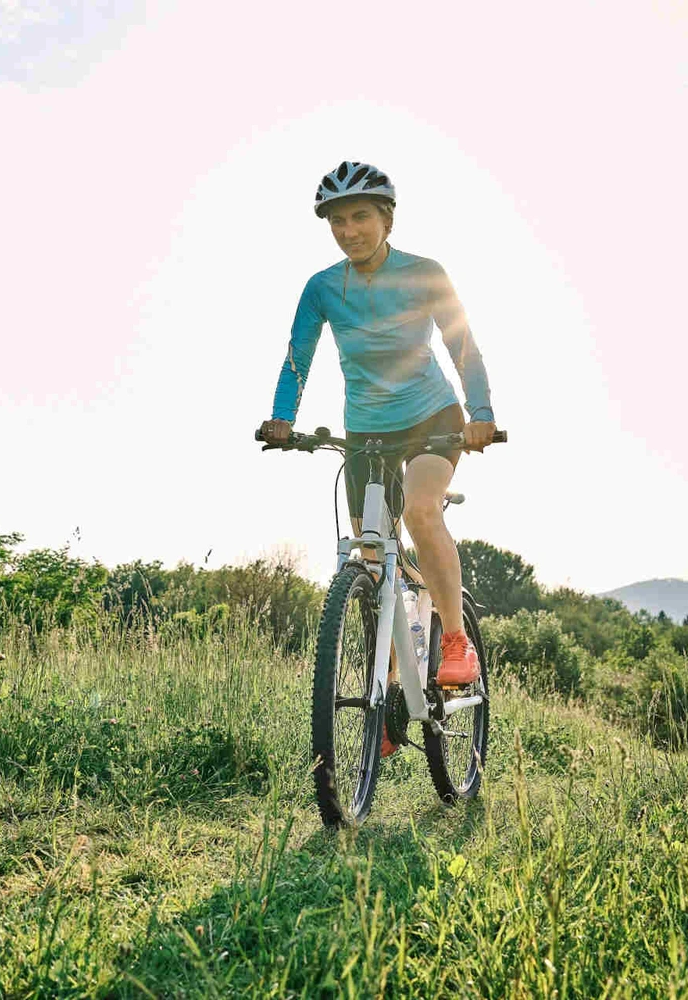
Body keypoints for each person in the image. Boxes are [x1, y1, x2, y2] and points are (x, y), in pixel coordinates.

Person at [260, 161, 496, 755]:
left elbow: (462, 343)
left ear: (386, 219)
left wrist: (481, 413)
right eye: (337, 221)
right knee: (371, 557)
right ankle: (387, 686)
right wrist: (282, 417)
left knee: (420, 511)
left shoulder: (425, 274)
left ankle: (454, 643)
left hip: (432, 419)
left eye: (360, 216)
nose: (349, 230)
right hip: (366, 428)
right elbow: (297, 356)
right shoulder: (321, 287)